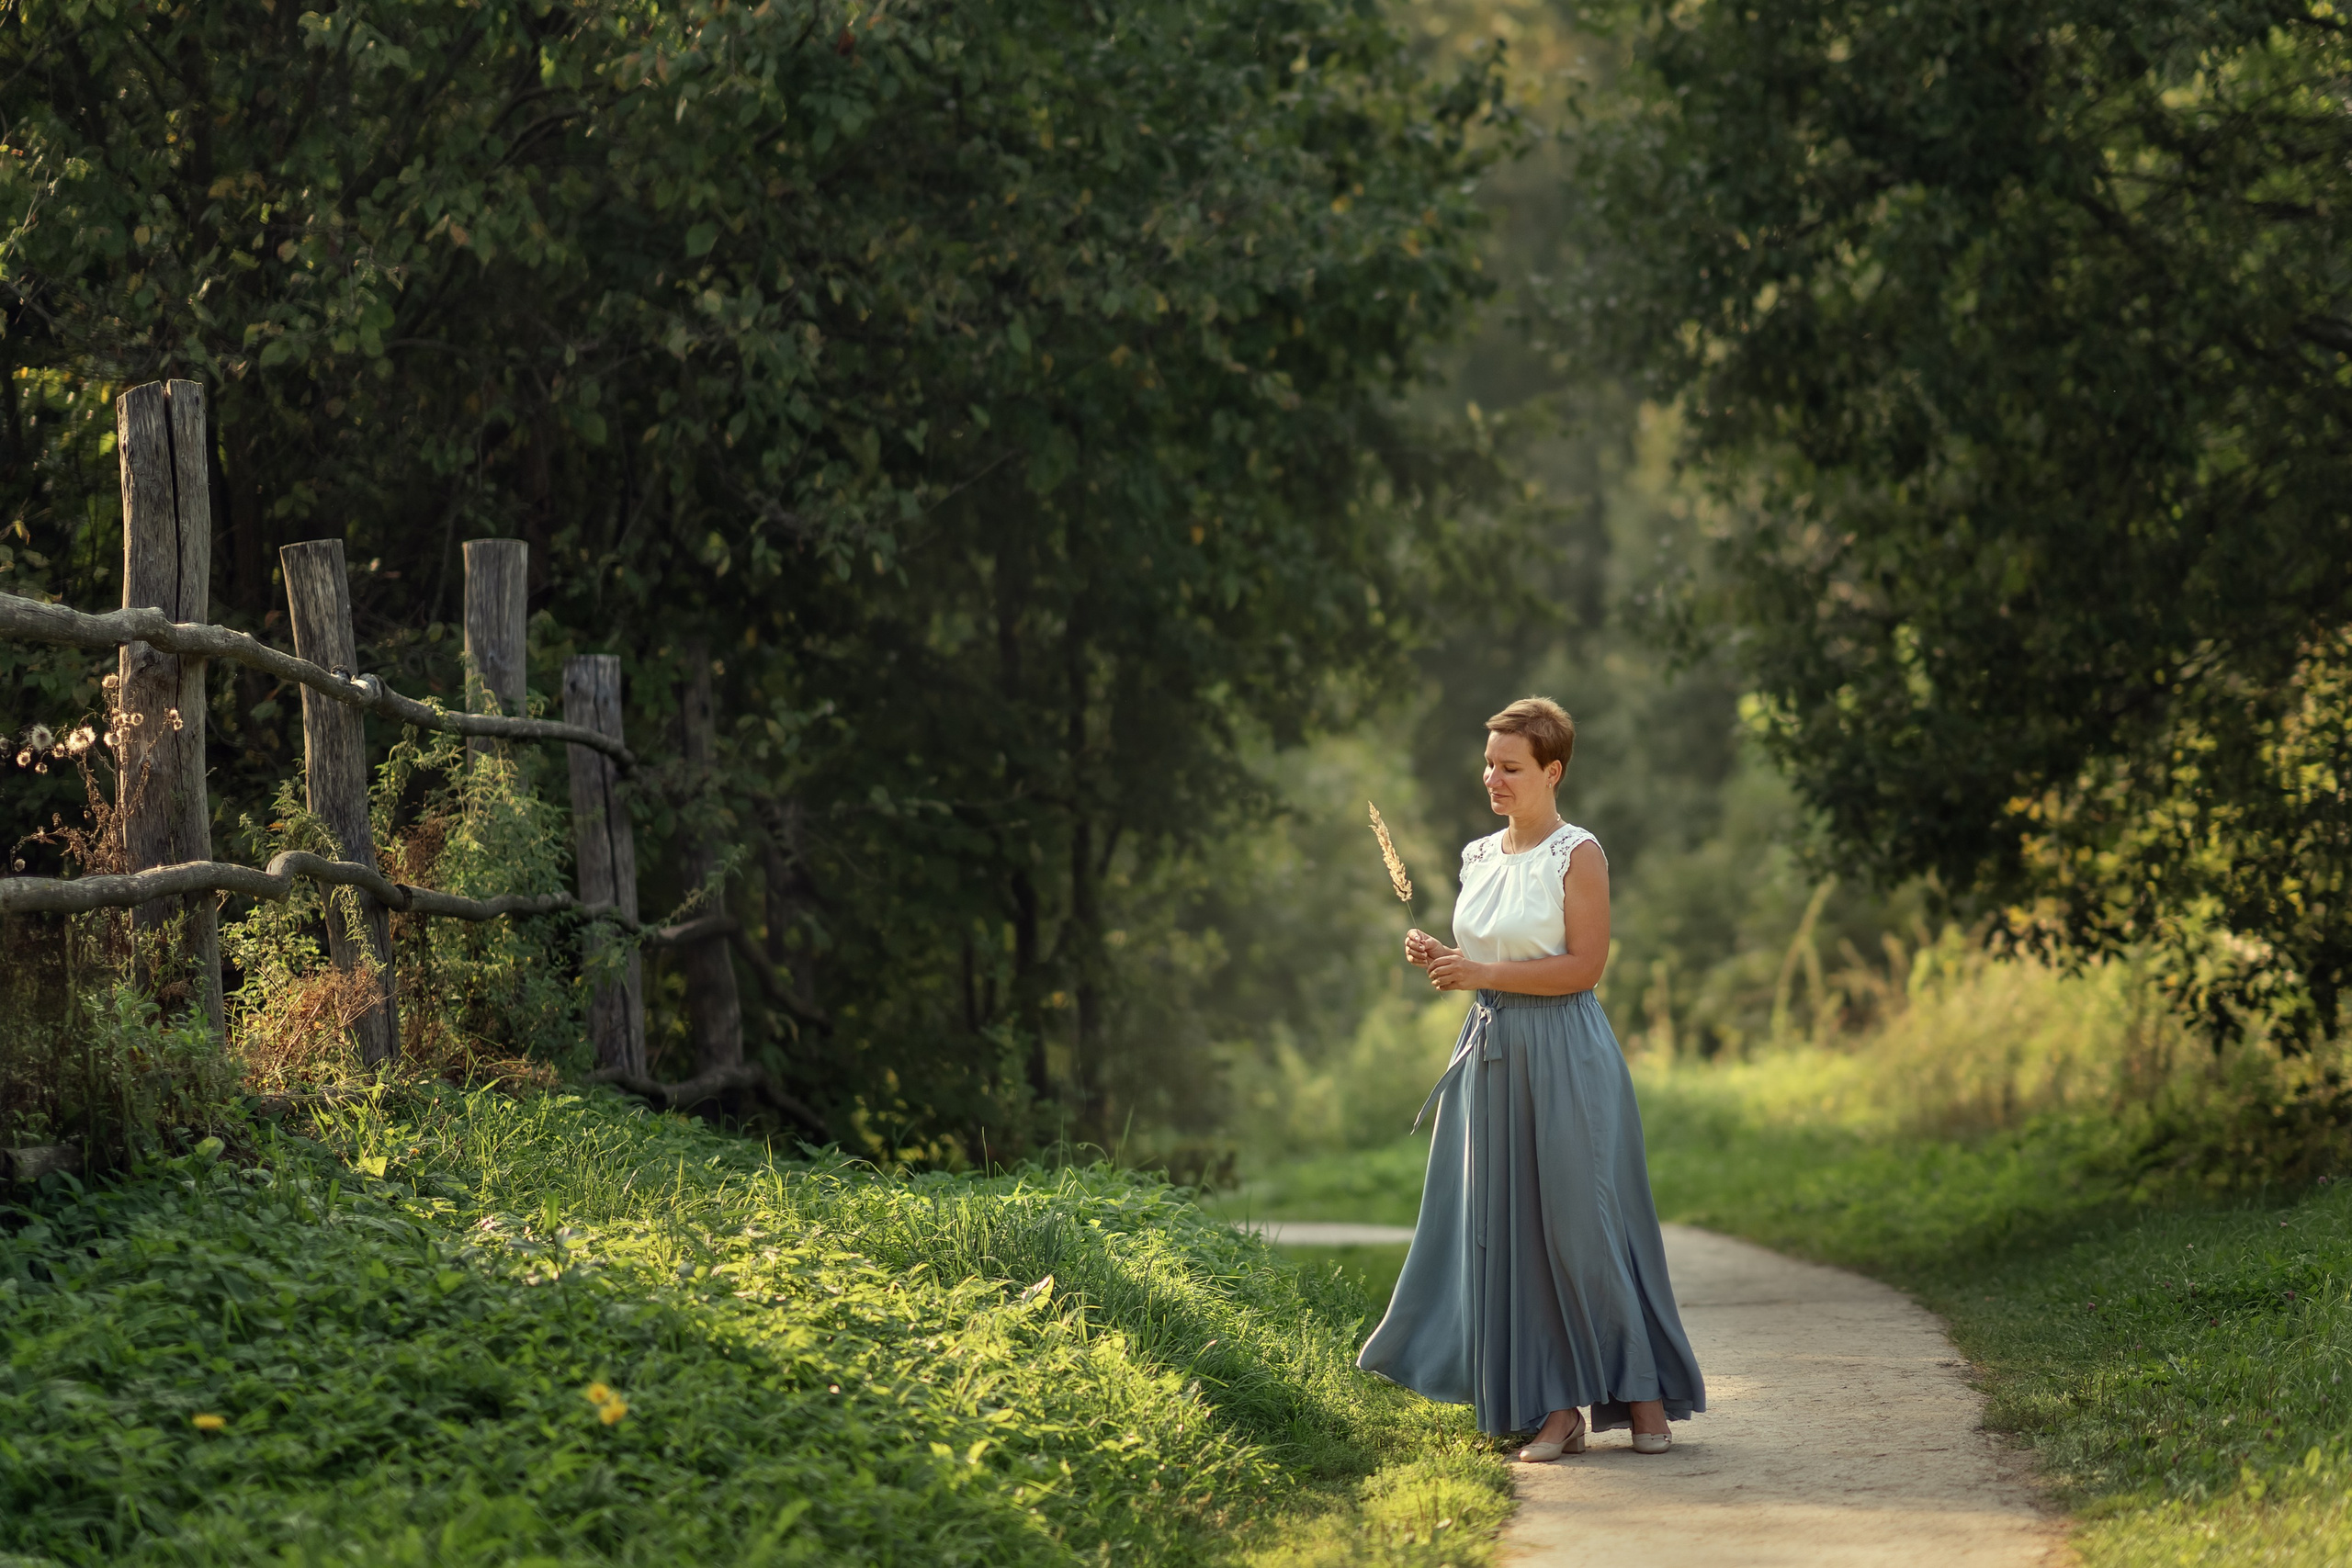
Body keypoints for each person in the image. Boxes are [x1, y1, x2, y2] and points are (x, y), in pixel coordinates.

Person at [1356, 696, 1705, 1461]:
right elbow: (1491, 950)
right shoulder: (1477, 855)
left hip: (1567, 1049)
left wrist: (1480, 967)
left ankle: (1643, 1395)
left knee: (1585, 1224)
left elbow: (1585, 965)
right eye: (1489, 764)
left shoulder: (1580, 853)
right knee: (1509, 1230)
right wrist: (1443, 955)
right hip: (1492, 1051)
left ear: (1553, 771)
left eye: (1510, 767)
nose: (1493, 778)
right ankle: (1555, 1410)